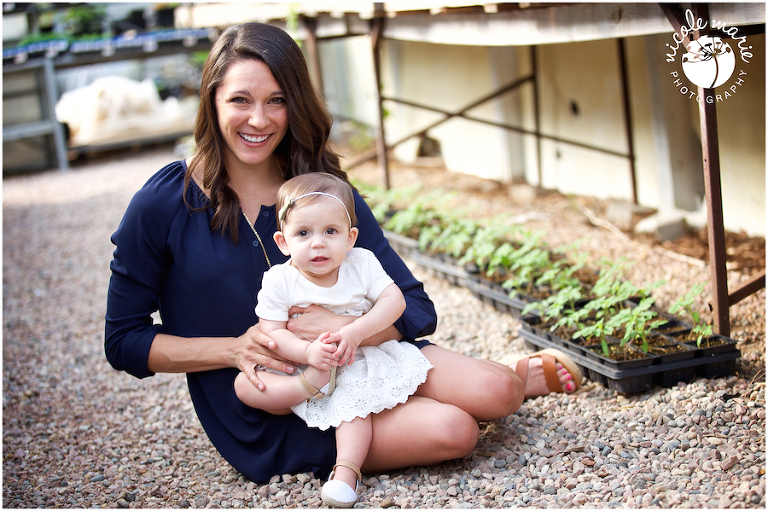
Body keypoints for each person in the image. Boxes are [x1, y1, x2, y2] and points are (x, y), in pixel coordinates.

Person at [105, 21, 582, 486]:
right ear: (211, 101)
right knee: (454, 431)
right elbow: (124, 340)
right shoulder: (165, 202)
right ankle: (467, 395)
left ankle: (512, 378)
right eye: (240, 100)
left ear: (296, 105)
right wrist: (233, 350)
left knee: (497, 392)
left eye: (277, 101)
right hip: (269, 403)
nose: (259, 119)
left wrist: (339, 337)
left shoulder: (321, 196)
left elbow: (415, 307)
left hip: (362, 360)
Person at [235, 172, 435, 506]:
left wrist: (354, 332)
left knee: (352, 403)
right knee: (244, 385)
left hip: (351, 358)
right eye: (303, 232)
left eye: (331, 231)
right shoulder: (279, 280)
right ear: (283, 242)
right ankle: (307, 388)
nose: (318, 242)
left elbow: (395, 301)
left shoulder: (361, 263)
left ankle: (346, 472)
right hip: (302, 364)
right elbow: (271, 331)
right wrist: (307, 352)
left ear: (350, 237)